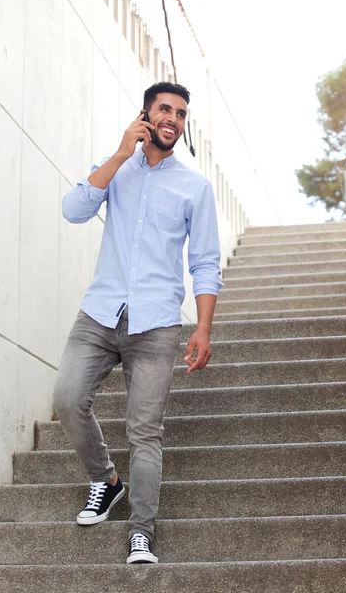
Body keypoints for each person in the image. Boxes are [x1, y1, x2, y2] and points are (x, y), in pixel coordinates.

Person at [53, 82, 223, 564]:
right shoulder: (117, 168)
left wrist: (204, 327)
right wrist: (120, 153)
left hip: (156, 324)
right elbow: (74, 209)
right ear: (146, 114)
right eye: (164, 109)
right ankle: (105, 481)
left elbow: (206, 262)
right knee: (67, 397)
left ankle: (141, 532)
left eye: (181, 113)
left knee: (145, 431)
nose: (173, 118)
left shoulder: (195, 187)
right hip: (101, 312)